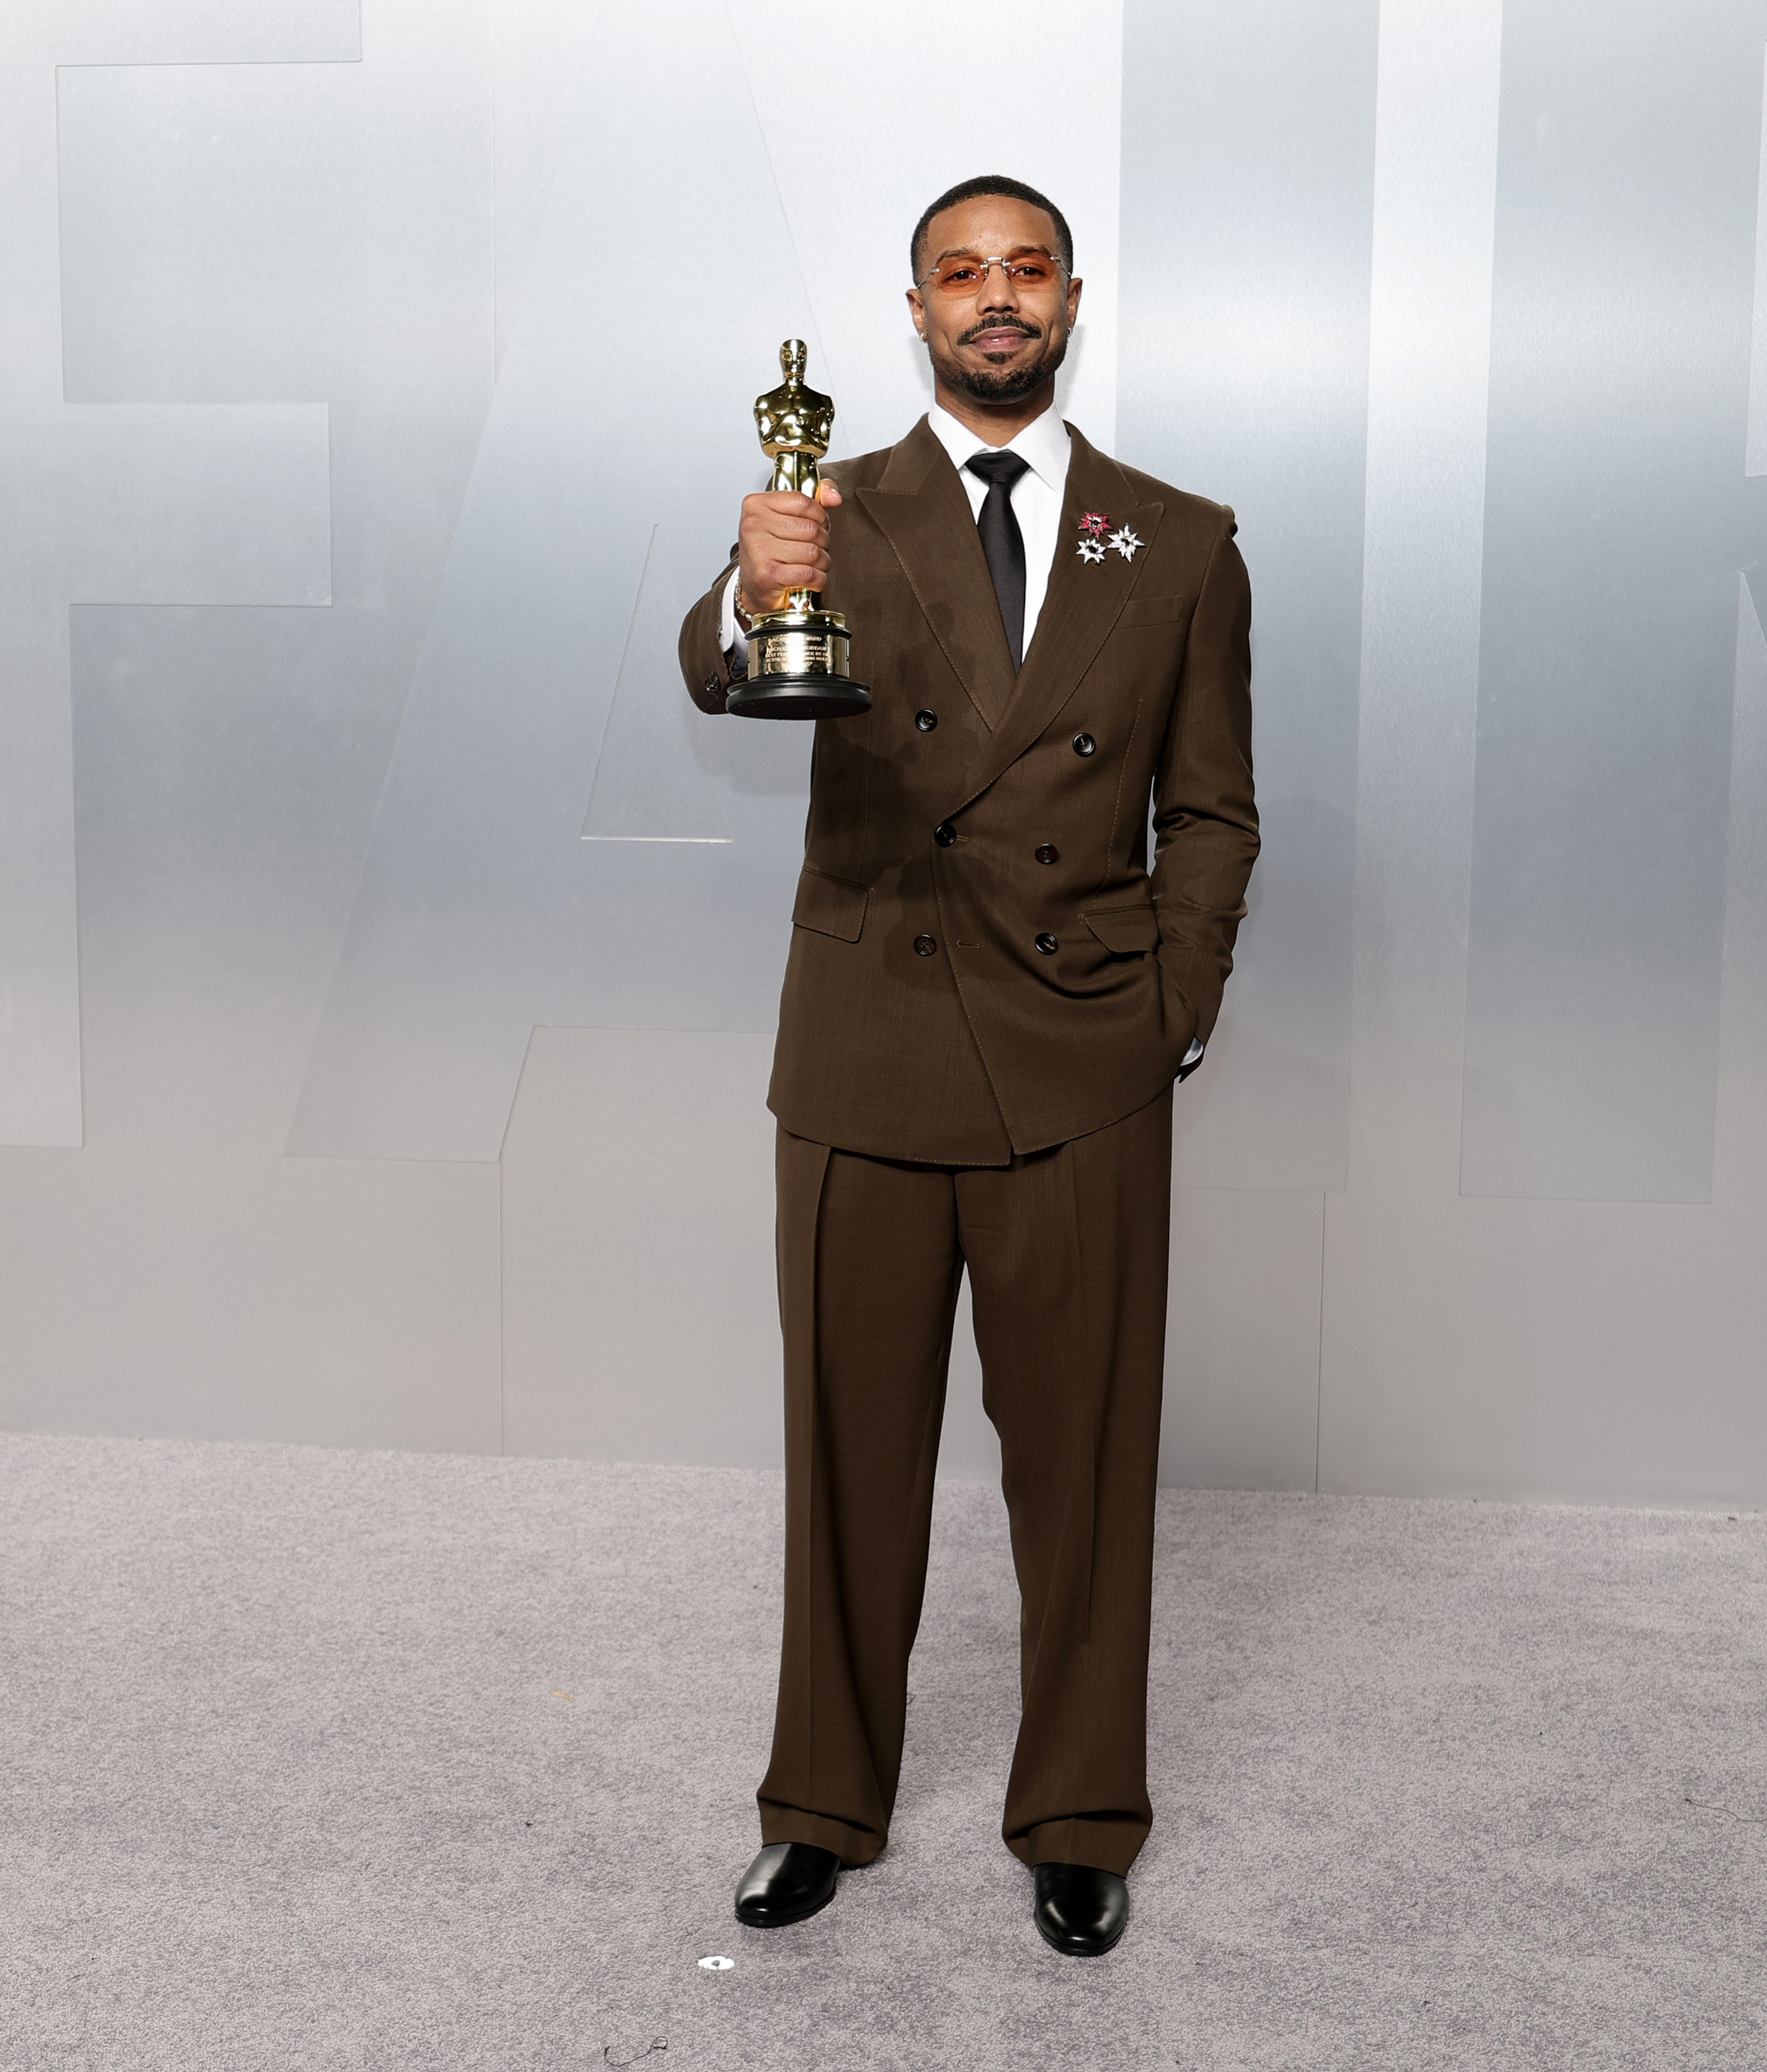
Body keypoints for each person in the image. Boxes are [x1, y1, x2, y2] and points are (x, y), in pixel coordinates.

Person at [676, 173, 1257, 1958]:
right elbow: (716, 667)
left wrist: (1168, 1006)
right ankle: (819, 1806)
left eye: (1027, 271)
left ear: (1071, 300)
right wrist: (743, 589)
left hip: (1084, 1052)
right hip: (869, 1043)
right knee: (847, 1458)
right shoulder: (828, 507)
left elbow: (1212, 810)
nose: (995, 298)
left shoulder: (1180, 542)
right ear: (917, 307)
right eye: (960, 274)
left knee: (1084, 1466)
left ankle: (1079, 1812)